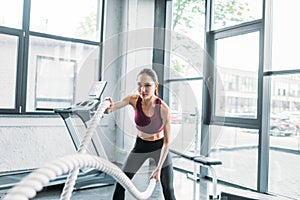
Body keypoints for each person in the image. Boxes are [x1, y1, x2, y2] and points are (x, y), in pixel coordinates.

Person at [104, 68, 176, 200]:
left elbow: (166, 142)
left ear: (155, 86)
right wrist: (107, 105)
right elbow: (111, 109)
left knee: (168, 188)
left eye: (147, 85)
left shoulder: (164, 109)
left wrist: (158, 168)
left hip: (160, 147)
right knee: (122, 182)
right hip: (140, 146)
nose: (143, 89)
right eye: (139, 85)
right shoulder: (133, 100)